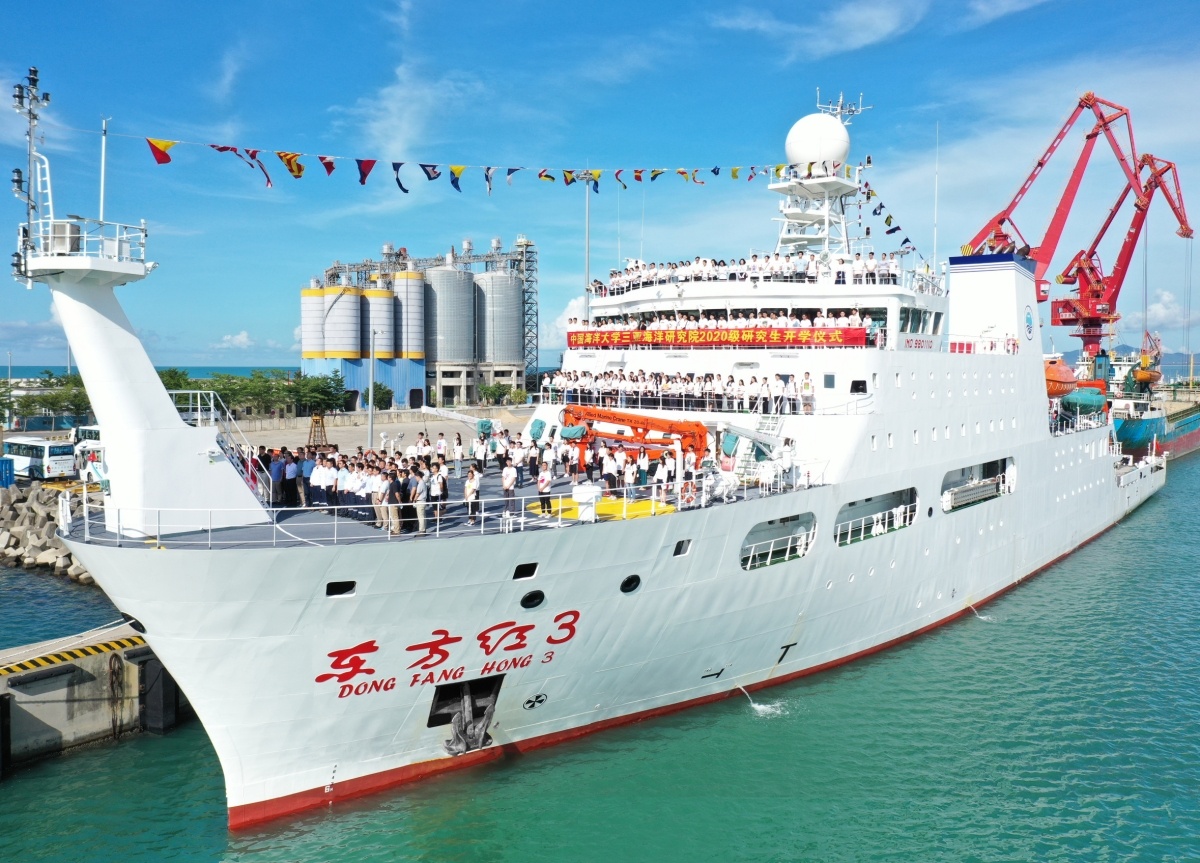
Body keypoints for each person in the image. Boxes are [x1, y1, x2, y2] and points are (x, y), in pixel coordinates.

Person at [411, 467, 428, 534]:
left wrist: (414, 500)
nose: (415, 478)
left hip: (420, 501)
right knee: (423, 516)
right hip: (422, 501)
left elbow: (417, 493)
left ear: (418, 476)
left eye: (416, 476)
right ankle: (423, 529)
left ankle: (422, 530)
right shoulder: (422, 483)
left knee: (421, 516)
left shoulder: (420, 483)